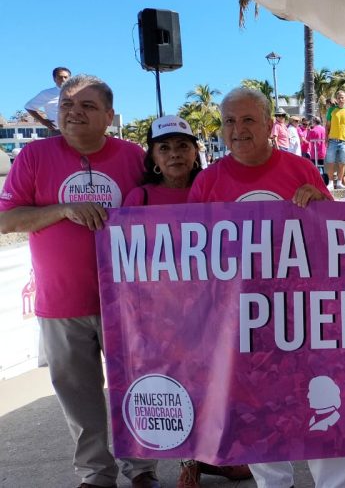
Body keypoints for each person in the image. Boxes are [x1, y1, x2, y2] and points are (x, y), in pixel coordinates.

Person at [0, 75, 159, 488]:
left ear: (109, 115)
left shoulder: (134, 157)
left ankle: (142, 471)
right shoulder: (33, 157)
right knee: (77, 395)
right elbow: (6, 220)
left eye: (87, 106)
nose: (74, 112)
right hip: (62, 302)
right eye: (68, 104)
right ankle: (95, 475)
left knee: (136, 391)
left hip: (128, 304)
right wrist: (63, 209)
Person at [187, 87, 345, 488]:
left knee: (321, 402)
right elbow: (192, 251)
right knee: (257, 407)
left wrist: (322, 203)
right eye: (229, 121)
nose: (237, 129)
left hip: (304, 311)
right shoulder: (207, 182)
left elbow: (336, 238)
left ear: (268, 124)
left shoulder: (300, 169)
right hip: (241, 318)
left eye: (247, 120)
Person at [121, 115, 252, 488]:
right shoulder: (141, 197)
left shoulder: (212, 185)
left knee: (222, 383)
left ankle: (221, 457)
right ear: (153, 157)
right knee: (180, 382)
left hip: (216, 306)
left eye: (183, 146)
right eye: (164, 148)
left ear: (196, 152)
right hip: (165, 311)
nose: (174, 154)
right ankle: (189, 460)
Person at [25, 66, 71, 136]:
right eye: (60, 77)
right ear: (54, 79)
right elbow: (29, 107)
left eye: (65, 77)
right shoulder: (47, 94)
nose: (63, 79)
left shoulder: (78, 92)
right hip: (58, 132)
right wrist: (43, 121)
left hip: (77, 131)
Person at [325, 90, 345, 189]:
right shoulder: (331, 110)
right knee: (330, 162)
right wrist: (326, 138)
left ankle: (339, 182)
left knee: (342, 163)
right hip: (332, 140)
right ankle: (330, 183)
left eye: (342, 97)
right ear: (336, 99)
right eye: (338, 97)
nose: (340, 99)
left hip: (344, 141)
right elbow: (327, 126)